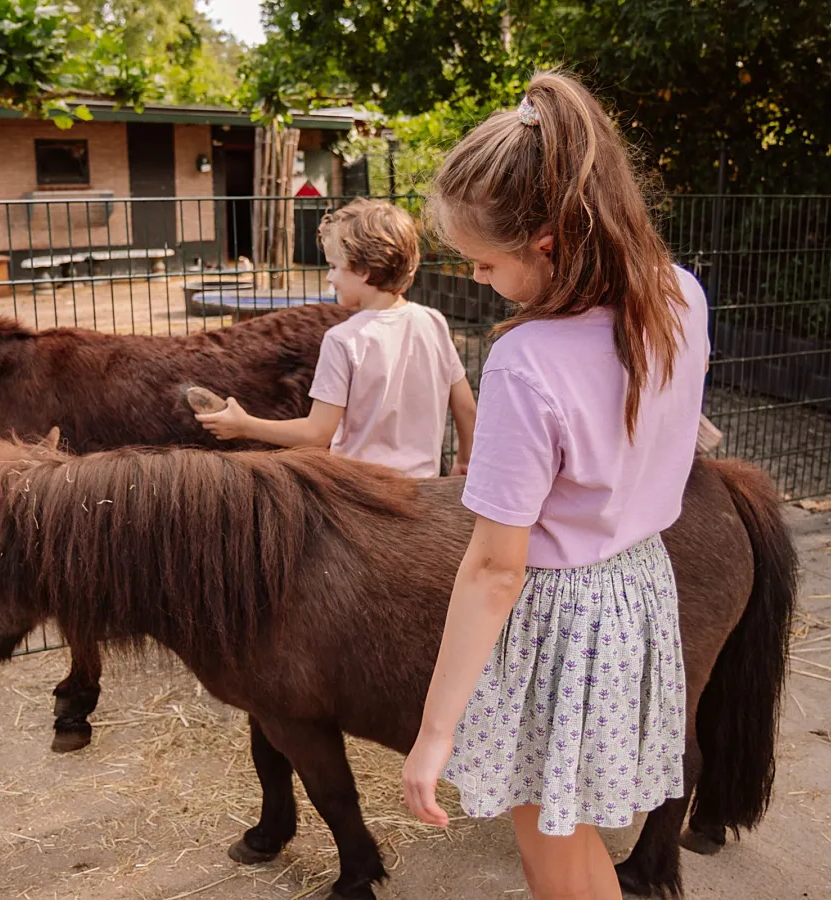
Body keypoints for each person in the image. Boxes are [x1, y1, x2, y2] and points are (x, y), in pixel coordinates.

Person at [402, 71, 709, 900]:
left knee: (549, 851)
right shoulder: (680, 295)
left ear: (545, 242)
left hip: (564, 620)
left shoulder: (526, 363)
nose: (475, 279)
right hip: (642, 589)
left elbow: (496, 568)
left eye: (484, 263)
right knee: (570, 839)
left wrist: (435, 733)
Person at [197, 198, 476, 478]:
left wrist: (245, 425)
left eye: (334, 266)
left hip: (363, 493)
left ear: (364, 271)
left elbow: (317, 433)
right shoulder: (433, 322)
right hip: (425, 488)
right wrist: (464, 460)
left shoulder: (344, 340)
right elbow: (466, 408)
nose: (329, 277)